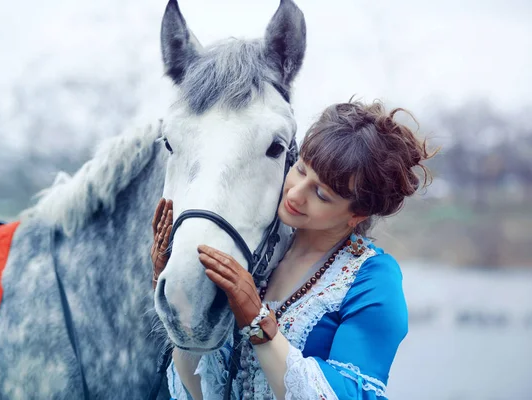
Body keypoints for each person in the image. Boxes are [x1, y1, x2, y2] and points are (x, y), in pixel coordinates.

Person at [151, 100, 436, 399]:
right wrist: (170, 289)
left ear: (358, 214)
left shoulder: (372, 281)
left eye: (322, 194)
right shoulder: (259, 253)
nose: (296, 194)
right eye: (301, 170)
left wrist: (258, 324)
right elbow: (202, 391)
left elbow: (348, 394)